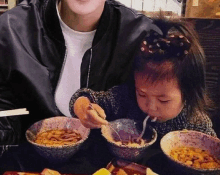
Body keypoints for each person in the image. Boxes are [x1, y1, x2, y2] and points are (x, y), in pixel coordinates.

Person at [0, 0, 161, 144]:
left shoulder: (142, 38)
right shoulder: (11, 30)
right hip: (29, 169)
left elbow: (160, 117)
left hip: (115, 168)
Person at [70, 16, 217, 139]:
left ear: (189, 92)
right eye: (142, 94)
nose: (151, 107)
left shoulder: (196, 123)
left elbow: (212, 155)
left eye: (163, 100)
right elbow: (84, 97)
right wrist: (83, 107)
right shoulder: (126, 99)